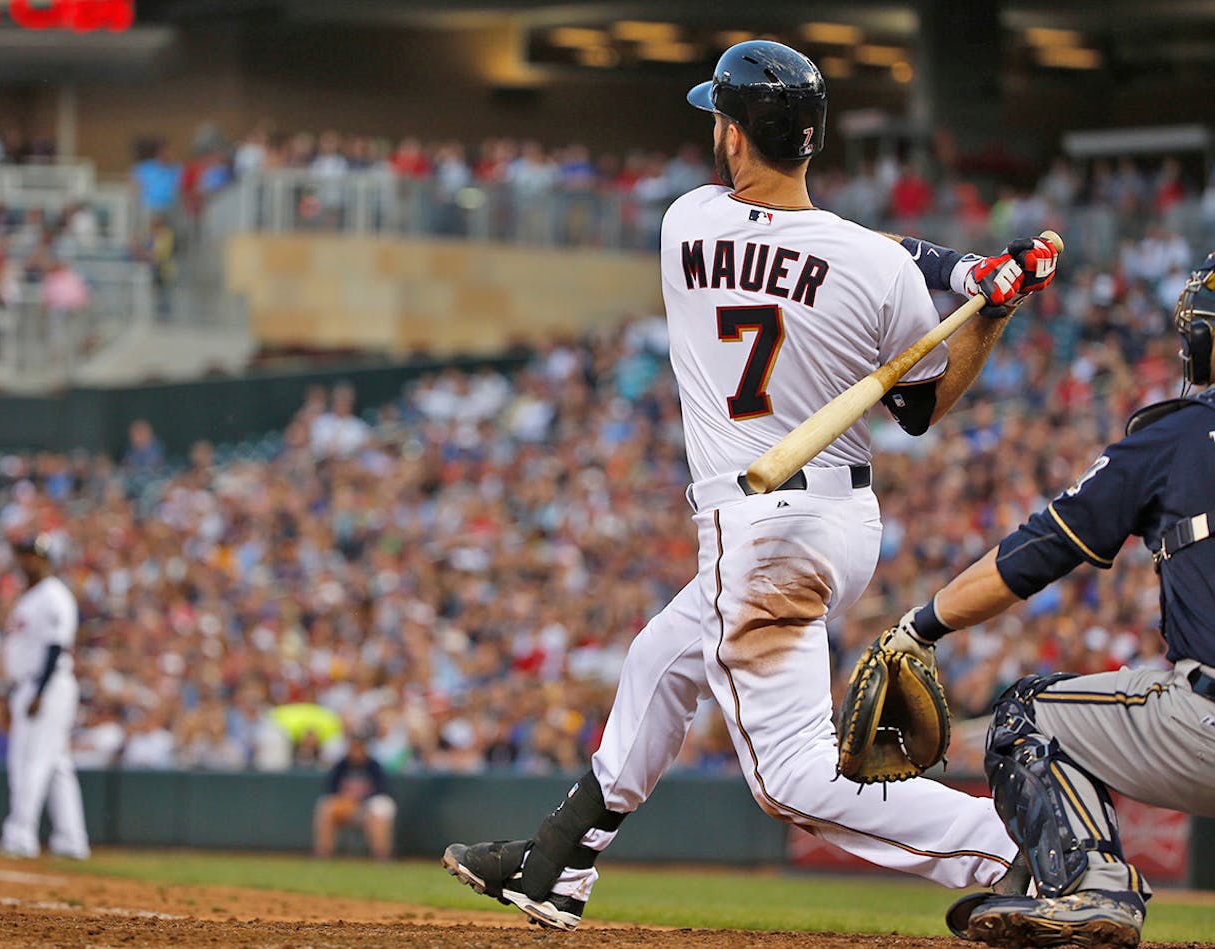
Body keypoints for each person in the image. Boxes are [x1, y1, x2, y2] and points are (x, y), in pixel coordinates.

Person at [442, 40, 1058, 930]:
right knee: (663, 653)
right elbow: (923, 406)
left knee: (789, 778)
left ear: (737, 137)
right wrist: (983, 301)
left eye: (719, 120)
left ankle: (1023, 848)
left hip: (758, 524)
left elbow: (819, 237)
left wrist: (958, 272)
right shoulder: (875, 267)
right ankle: (560, 858)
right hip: (841, 522)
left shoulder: (686, 221)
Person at [879, 254, 1215, 949]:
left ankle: (1089, 885)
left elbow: (1039, 550)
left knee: (1027, 713)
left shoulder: (1177, 436)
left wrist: (922, 624)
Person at [0, 533, 90, 860]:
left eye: (30, 555)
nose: (24, 561)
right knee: (56, 763)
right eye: (21, 554)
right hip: (32, 685)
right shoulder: (32, 596)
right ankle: (71, 839)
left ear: (45, 558)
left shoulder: (53, 595)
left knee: (30, 761)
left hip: (46, 685)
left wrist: (39, 691)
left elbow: (55, 646)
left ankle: (21, 835)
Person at [313, 735, 396, 861]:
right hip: (347, 806)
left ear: (364, 749)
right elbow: (330, 788)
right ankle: (323, 853)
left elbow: (382, 790)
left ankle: (381, 856)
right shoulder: (342, 765)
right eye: (353, 747)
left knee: (379, 809)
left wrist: (360, 801)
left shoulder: (374, 766)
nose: (355, 751)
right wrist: (347, 800)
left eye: (358, 747)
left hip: (368, 805)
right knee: (326, 806)